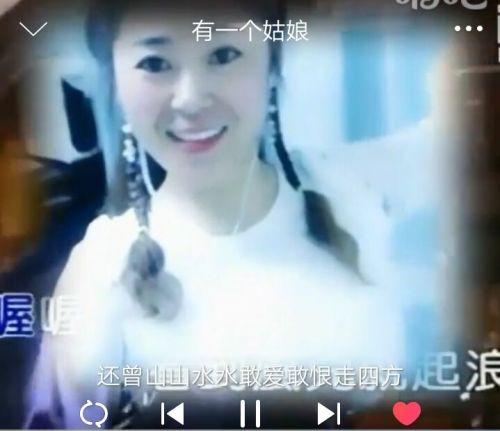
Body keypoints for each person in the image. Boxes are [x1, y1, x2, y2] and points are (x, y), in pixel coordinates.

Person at [26, 0, 404, 428]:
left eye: (223, 55)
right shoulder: (99, 271)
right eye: (155, 63)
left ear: (273, 69)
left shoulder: (346, 194)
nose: (190, 99)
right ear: (116, 86)